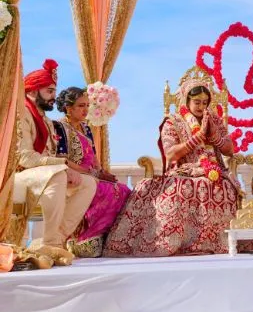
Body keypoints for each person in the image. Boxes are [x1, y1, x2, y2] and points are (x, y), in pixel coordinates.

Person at [104, 80, 239, 257]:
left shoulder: (213, 120)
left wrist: (215, 137)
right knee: (179, 189)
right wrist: (196, 138)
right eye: (197, 102)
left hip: (214, 170)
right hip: (184, 171)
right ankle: (172, 243)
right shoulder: (173, 122)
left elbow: (229, 150)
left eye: (204, 103)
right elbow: (171, 154)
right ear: (186, 101)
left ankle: (220, 242)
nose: (201, 106)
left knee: (227, 188)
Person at [15, 59, 96, 262]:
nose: (53, 97)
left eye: (54, 91)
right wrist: (60, 166)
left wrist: (65, 166)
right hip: (21, 173)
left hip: (43, 173)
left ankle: (55, 240)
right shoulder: (22, 115)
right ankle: (51, 243)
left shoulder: (45, 119)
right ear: (33, 91)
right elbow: (24, 157)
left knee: (88, 183)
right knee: (58, 174)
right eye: (49, 91)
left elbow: (54, 155)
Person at [53, 87, 131, 258]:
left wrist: (102, 172)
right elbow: (62, 158)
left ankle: (104, 239)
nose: (85, 110)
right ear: (68, 107)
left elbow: (93, 156)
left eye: (87, 105)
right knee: (105, 191)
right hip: (73, 175)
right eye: (81, 106)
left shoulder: (86, 128)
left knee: (123, 190)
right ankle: (82, 239)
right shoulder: (59, 127)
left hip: (91, 174)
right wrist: (89, 173)